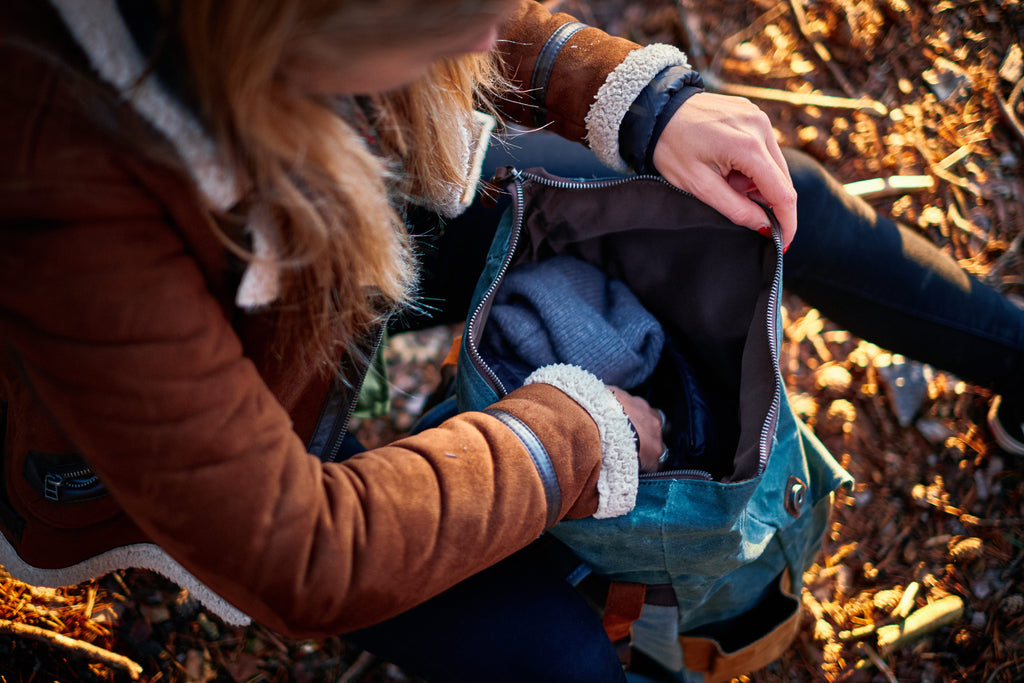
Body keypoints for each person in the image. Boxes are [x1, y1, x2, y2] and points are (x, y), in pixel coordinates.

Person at [0, 1, 1021, 682]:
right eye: (456, 23)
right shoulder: (64, 196)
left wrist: (638, 102)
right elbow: (301, 550)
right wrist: (576, 432)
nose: (494, 30)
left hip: (332, 233)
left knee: (761, 199)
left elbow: (472, 26)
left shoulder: (316, 40)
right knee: (558, 654)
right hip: (247, 444)